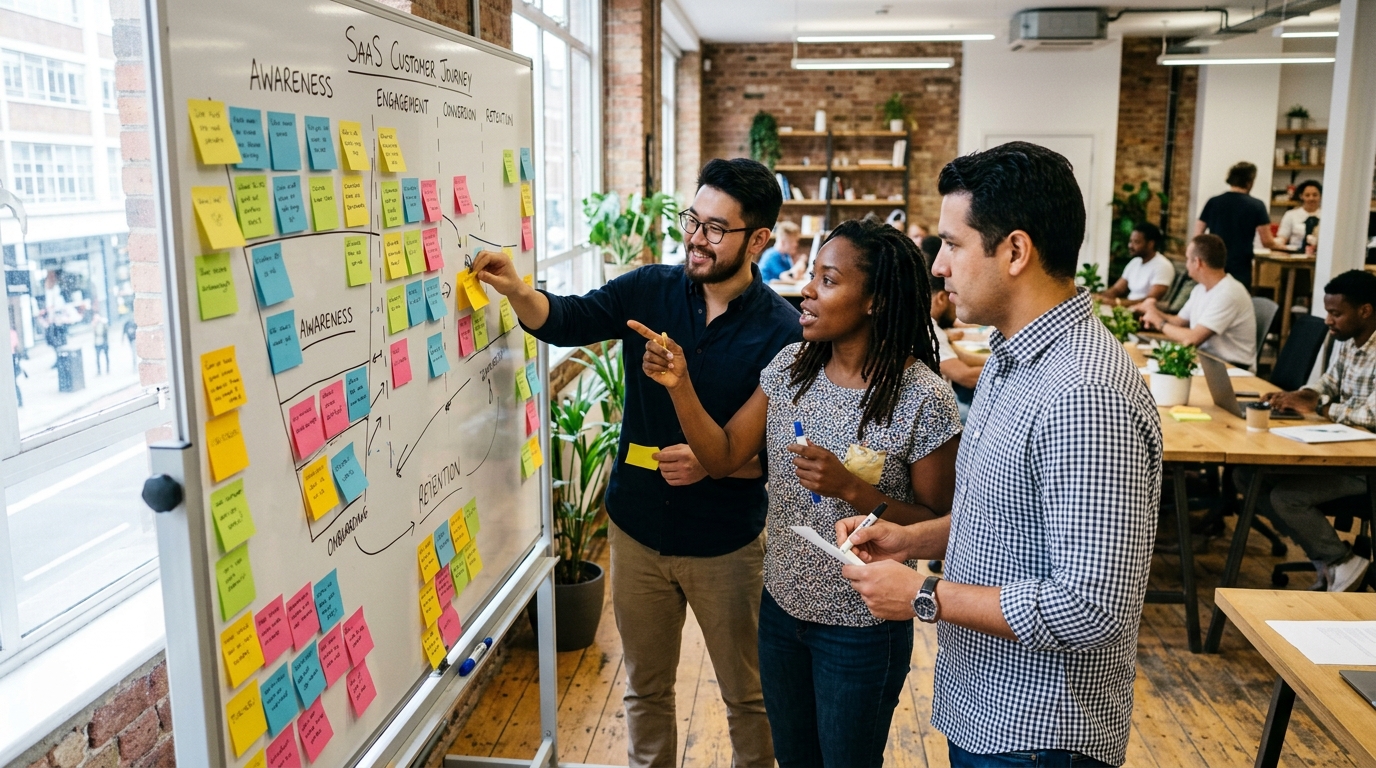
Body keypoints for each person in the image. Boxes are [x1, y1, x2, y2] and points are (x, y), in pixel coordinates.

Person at [836, 142, 1162, 768]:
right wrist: (910, 540)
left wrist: (925, 595)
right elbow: (1004, 518)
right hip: (988, 710)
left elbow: (1093, 607)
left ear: (1015, 251)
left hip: (1040, 736)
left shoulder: (1085, 393)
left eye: (952, 244)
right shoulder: (1010, 362)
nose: (938, 266)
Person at [472, 158, 799, 768]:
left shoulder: (782, 332)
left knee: (749, 698)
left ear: (758, 240)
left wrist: (717, 463)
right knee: (645, 691)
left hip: (726, 544)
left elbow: (781, 455)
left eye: (716, 229)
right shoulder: (649, 289)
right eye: (692, 220)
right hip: (638, 529)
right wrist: (518, 291)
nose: (696, 238)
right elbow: (566, 319)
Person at [633, 217, 961, 767]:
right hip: (782, 610)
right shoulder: (790, 368)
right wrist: (680, 385)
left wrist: (850, 488)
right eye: (812, 275)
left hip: (862, 625)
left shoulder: (921, 396)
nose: (806, 290)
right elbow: (721, 456)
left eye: (828, 280)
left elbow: (939, 527)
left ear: (876, 301)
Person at [1241, 270, 1376, 592]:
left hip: (1366, 465)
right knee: (1245, 476)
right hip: (1338, 450)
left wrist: (1320, 407)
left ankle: (1342, 561)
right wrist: (1301, 395)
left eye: (1336, 313)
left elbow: (1371, 416)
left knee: (1287, 497)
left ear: (1365, 311)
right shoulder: (1350, 342)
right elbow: (1327, 383)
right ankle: (1328, 559)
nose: (1328, 321)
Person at [1138, 234, 1256, 368]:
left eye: (1188, 259)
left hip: (1231, 367)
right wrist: (1153, 312)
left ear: (1198, 262)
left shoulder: (1228, 293)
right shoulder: (1200, 289)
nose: (1186, 264)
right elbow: (1178, 322)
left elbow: (1193, 339)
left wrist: (1159, 322)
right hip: (1206, 361)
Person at [1195, 161, 1273, 287]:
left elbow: (1198, 236)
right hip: (1240, 264)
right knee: (1238, 296)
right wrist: (1284, 247)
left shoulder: (1213, 202)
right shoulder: (1257, 205)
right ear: (1249, 182)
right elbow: (1267, 241)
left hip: (1214, 261)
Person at [1097, 222, 1174, 307]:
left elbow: (1150, 300)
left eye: (1136, 242)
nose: (1130, 246)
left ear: (1150, 244)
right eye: (1130, 241)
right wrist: (1098, 298)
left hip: (1142, 312)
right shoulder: (1135, 262)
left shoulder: (1163, 266)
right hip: (1126, 308)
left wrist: (1116, 303)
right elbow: (1117, 289)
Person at [1275, 180, 1322, 253]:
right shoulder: (1290, 215)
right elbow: (1282, 237)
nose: (1311, 198)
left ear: (1320, 196)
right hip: (1294, 254)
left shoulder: (1327, 216)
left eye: (1315, 195)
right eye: (1307, 195)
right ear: (1301, 196)